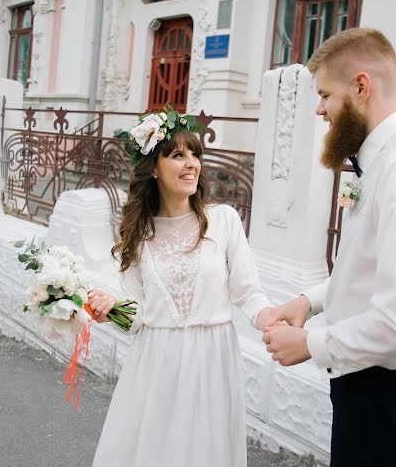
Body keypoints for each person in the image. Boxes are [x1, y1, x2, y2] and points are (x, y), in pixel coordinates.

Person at [262, 28, 396, 466]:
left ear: (361, 86)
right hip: (371, 377)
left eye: (325, 95)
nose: (319, 109)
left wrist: (310, 344)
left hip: (394, 390)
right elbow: (371, 268)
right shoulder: (381, 162)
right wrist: (310, 301)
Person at [89, 109, 274, 467]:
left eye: (195, 154)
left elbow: (248, 293)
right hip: (156, 362)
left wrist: (271, 319)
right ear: (153, 168)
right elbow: (139, 314)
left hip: (212, 359)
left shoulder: (223, 220)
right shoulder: (138, 236)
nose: (192, 164)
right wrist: (111, 311)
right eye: (177, 155)